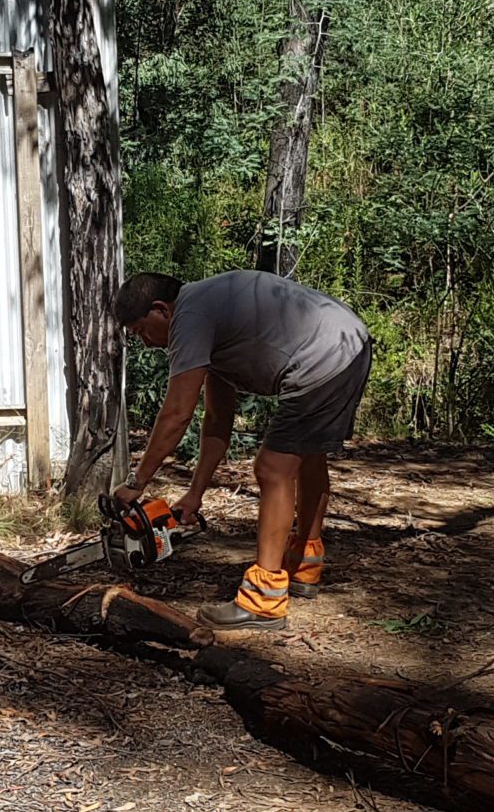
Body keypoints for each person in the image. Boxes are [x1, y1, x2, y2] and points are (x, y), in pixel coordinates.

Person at [111, 269, 372, 629]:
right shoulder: (210, 313)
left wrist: (137, 482)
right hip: (349, 342)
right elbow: (218, 419)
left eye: (141, 331)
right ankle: (304, 565)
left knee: (272, 468)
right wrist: (195, 494)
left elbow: (176, 414)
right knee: (308, 457)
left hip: (325, 354)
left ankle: (263, 599)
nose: (145, 342)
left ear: (160, 309)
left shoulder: (189, 316)